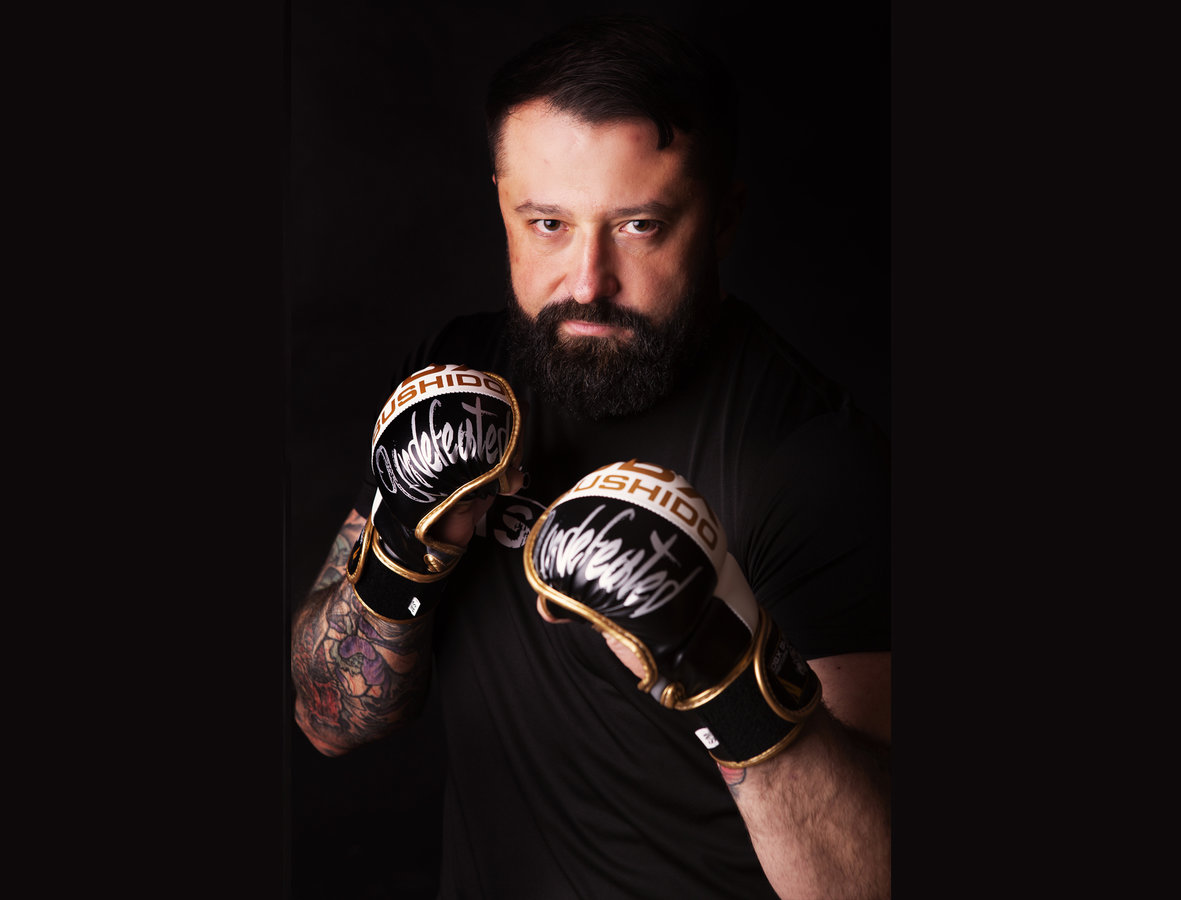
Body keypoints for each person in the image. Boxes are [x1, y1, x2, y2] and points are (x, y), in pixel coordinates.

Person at [291, 14, 890, 899]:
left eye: (640, 225)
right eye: (546, 223)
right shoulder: (460, 377)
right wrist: (404, 548)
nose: (585, 282)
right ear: (500, 202)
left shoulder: (811, 460)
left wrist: (725, 675)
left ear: (722, 220)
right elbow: (327, 720)